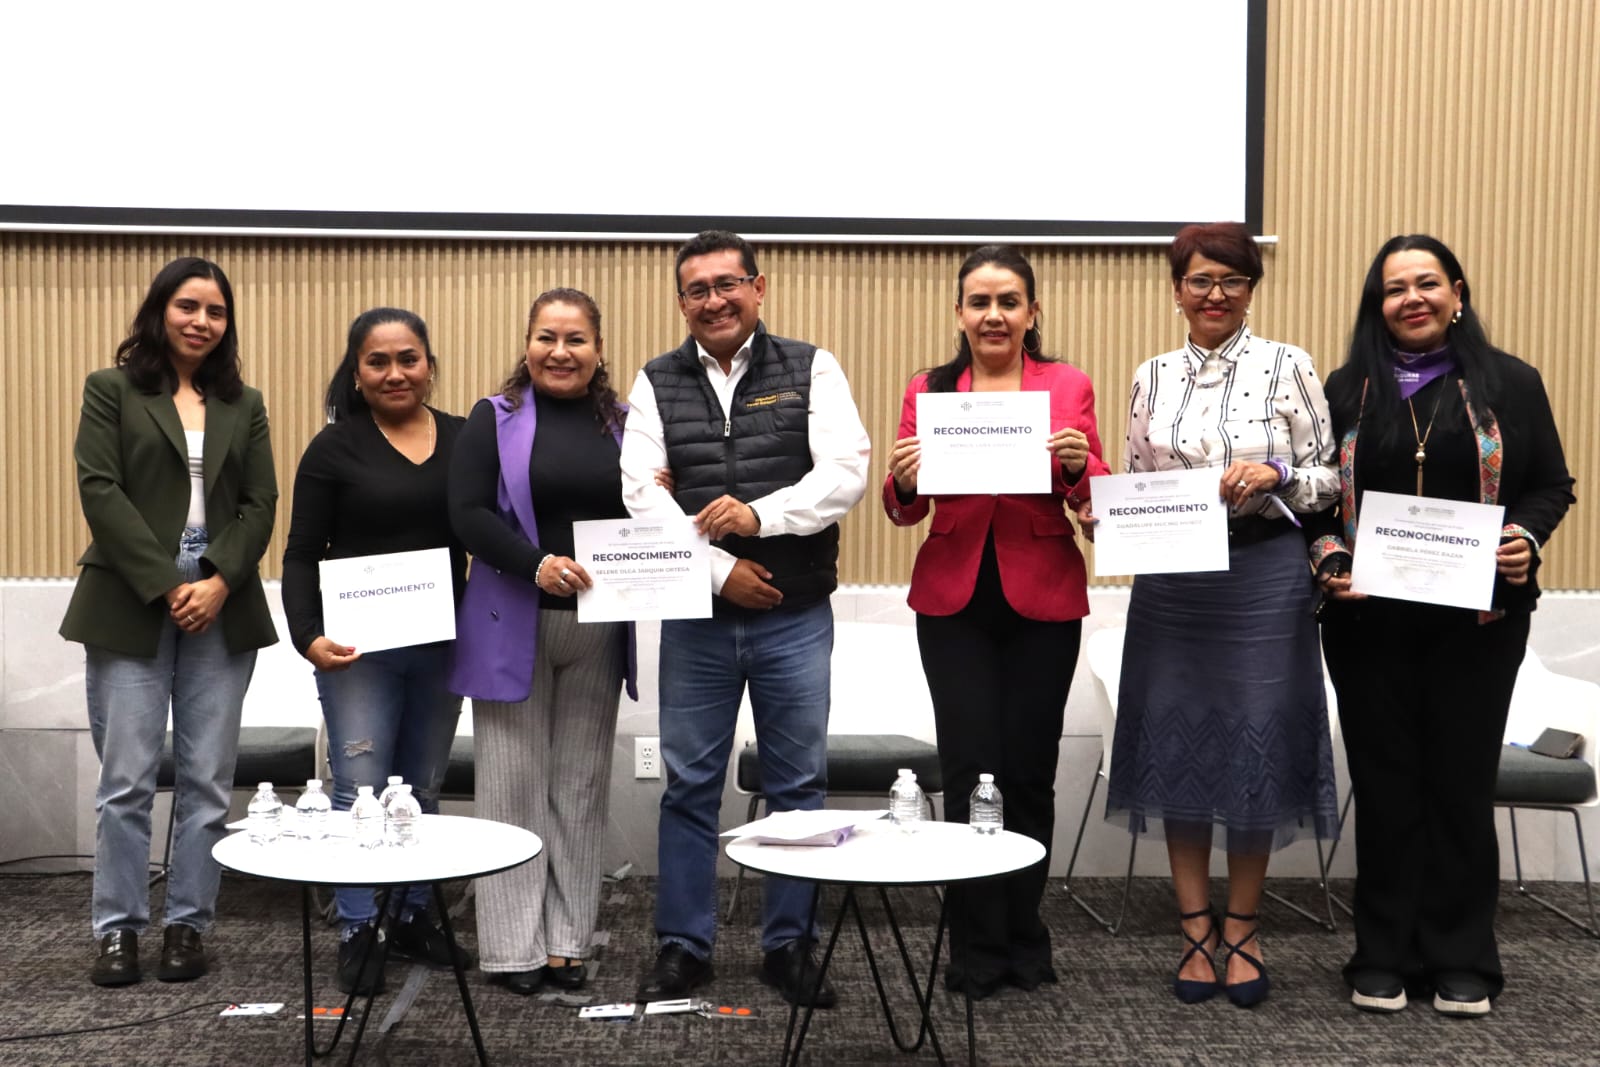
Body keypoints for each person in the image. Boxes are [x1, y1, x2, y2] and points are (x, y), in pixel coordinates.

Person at [1311, 235, 1574, 1017]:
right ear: (1378, 304)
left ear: (1457, 293)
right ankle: (1383, 954)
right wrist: (1330, 558)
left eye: (1427, 283)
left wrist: (1523, 539)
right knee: (1386, 788)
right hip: (1368, 626)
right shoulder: (1346, 388)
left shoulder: (1511, 383)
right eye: (1395, 288)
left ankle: (1462, 956)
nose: (1412, 298)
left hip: (1479, 625)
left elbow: (1551, 484)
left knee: (1460, 788)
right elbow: (1317, 497)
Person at [621, 230, 871, 1006]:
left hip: (795, 613)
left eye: (728, 284)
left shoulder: (811, 366)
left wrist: (759, 517)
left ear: (759, 288)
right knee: (689, 784)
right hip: (696, 618)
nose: (714, 300)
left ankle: (788, 945)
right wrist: (721, 572)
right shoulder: (656, 380)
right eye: (697, 289)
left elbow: (845, 473)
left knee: (798, 784)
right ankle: (683, 945)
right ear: (681, 302)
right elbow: (641, 493)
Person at [1102, 222, 1341, 1008]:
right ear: (1177, 290)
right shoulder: (1150, 375)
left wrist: (1276, 471)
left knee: (1252, 745)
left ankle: (1242, 927)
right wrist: (1108, 519)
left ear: (1250, 290)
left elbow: (1332, 478)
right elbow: (1137, 476)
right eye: (1200, 280)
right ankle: (1192, 928)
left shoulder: (1288, 364)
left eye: (1232, 280)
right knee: (1177, 744)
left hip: (1265, 572)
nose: (1215, 294)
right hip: (1175, 580)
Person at [883, 244, 1108, 997]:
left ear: (1032, 312)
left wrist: (1077, 467)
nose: (994, 314)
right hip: (954, 601)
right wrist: (904, 481)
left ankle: (1024, 935)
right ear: (959, 313)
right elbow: (904, 508)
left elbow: (1094, 497)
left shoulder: (1066, 384)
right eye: (979, 301)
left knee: (1029, 774)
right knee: (967, 769)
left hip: (1043, 594)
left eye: (1009, 301)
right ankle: (975, 943)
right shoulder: (930, 389)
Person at [61, 257, 278, 987]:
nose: (201, 321)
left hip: (222, 592)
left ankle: (188, 924)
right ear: (160, 310)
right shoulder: (112, 389)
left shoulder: (243, 403)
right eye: (188, 306)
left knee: (208, 780)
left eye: (216, 311)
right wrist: (166, 584)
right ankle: (118, 930)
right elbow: (101, 489)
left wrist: (216, 580)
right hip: (130, 592)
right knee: (126, 780)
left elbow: (260, 503)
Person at [448, 288, 636, 996]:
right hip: (512, 619)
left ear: (598, 349)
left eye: (576, 339)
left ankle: (566, 942)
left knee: (580, 787)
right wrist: (536, 564)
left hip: (597, 626)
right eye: (547, 337)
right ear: (527, 343)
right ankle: (510, 948)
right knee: (511, 788)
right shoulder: (492, 417)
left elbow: (647, 514)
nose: (561, 351)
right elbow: (467, 513)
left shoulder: (626, 424)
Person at [281, 307, 468, 995]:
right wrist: (308, 635)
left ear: (429, 365)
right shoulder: (334, 449)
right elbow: (301, 554)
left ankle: (412, 914)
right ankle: (359, 927)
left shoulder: (465, 438)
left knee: (422, 787)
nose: (395, 373)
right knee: (358, 788)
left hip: (442, 644)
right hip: (357, 651)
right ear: (357, 373)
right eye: (378, 361)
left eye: (408, 358)